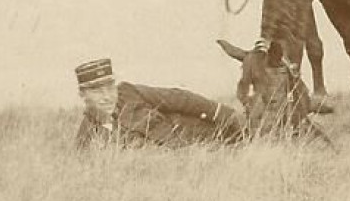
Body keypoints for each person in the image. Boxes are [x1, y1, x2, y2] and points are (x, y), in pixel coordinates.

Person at [72, 58, 247, 149]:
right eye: (96, 91)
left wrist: (221, 113)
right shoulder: (87, 138)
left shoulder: (128, 92)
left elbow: (178, 98)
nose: (106, 97)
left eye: (109, 88)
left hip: (202, 136)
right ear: (82, 95)